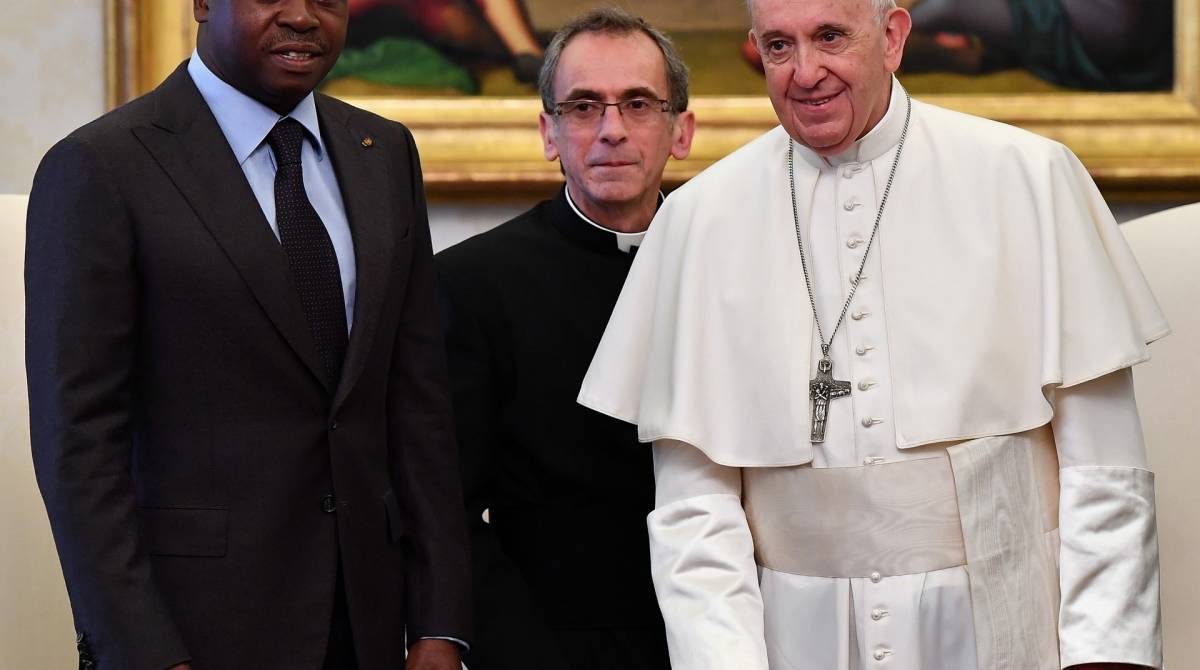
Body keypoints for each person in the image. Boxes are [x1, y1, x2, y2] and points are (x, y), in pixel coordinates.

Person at [577, 1, 1165, 669]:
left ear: (892, 38)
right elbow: (694, 516)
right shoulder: (699, 220)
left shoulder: (1026, 177)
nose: (805, 73)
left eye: (830, 38)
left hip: (1002, 632)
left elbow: (1105, 473)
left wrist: (1104, 659)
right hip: (796, 640)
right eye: (778, 47)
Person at [25, 1, 469, 668]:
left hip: (369, 626)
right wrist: (143, 651)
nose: (302, 17)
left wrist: (440, 623)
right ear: (203, 4)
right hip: (195, 629)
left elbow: (418, 403)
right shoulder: (101, 165)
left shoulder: (384, 152)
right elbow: (79, 445)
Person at [435, 8, 695, 670]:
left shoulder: (735, 265)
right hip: (548, 644)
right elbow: (450, 514)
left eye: (638, 104)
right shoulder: (471, 284)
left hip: (727, 639)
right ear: (549, 133)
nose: (611, 130)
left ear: (681, 129)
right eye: (584, 107)